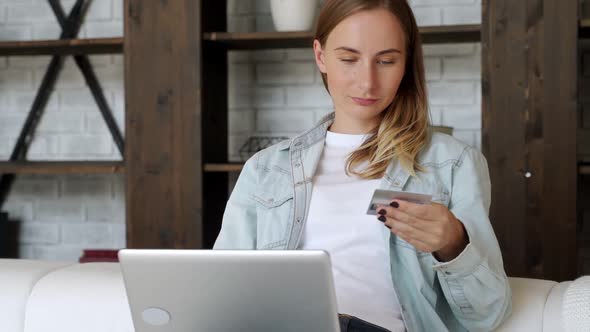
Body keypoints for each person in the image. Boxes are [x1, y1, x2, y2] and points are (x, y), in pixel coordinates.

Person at [213, 0, 512, 331]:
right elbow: (223, 294)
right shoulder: (266, 170)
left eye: (386, 61)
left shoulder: (453, 164)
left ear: (406, 62)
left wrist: (454, 245)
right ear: (321, 56)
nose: (367, 82)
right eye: (349, 59)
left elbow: (487, 316)